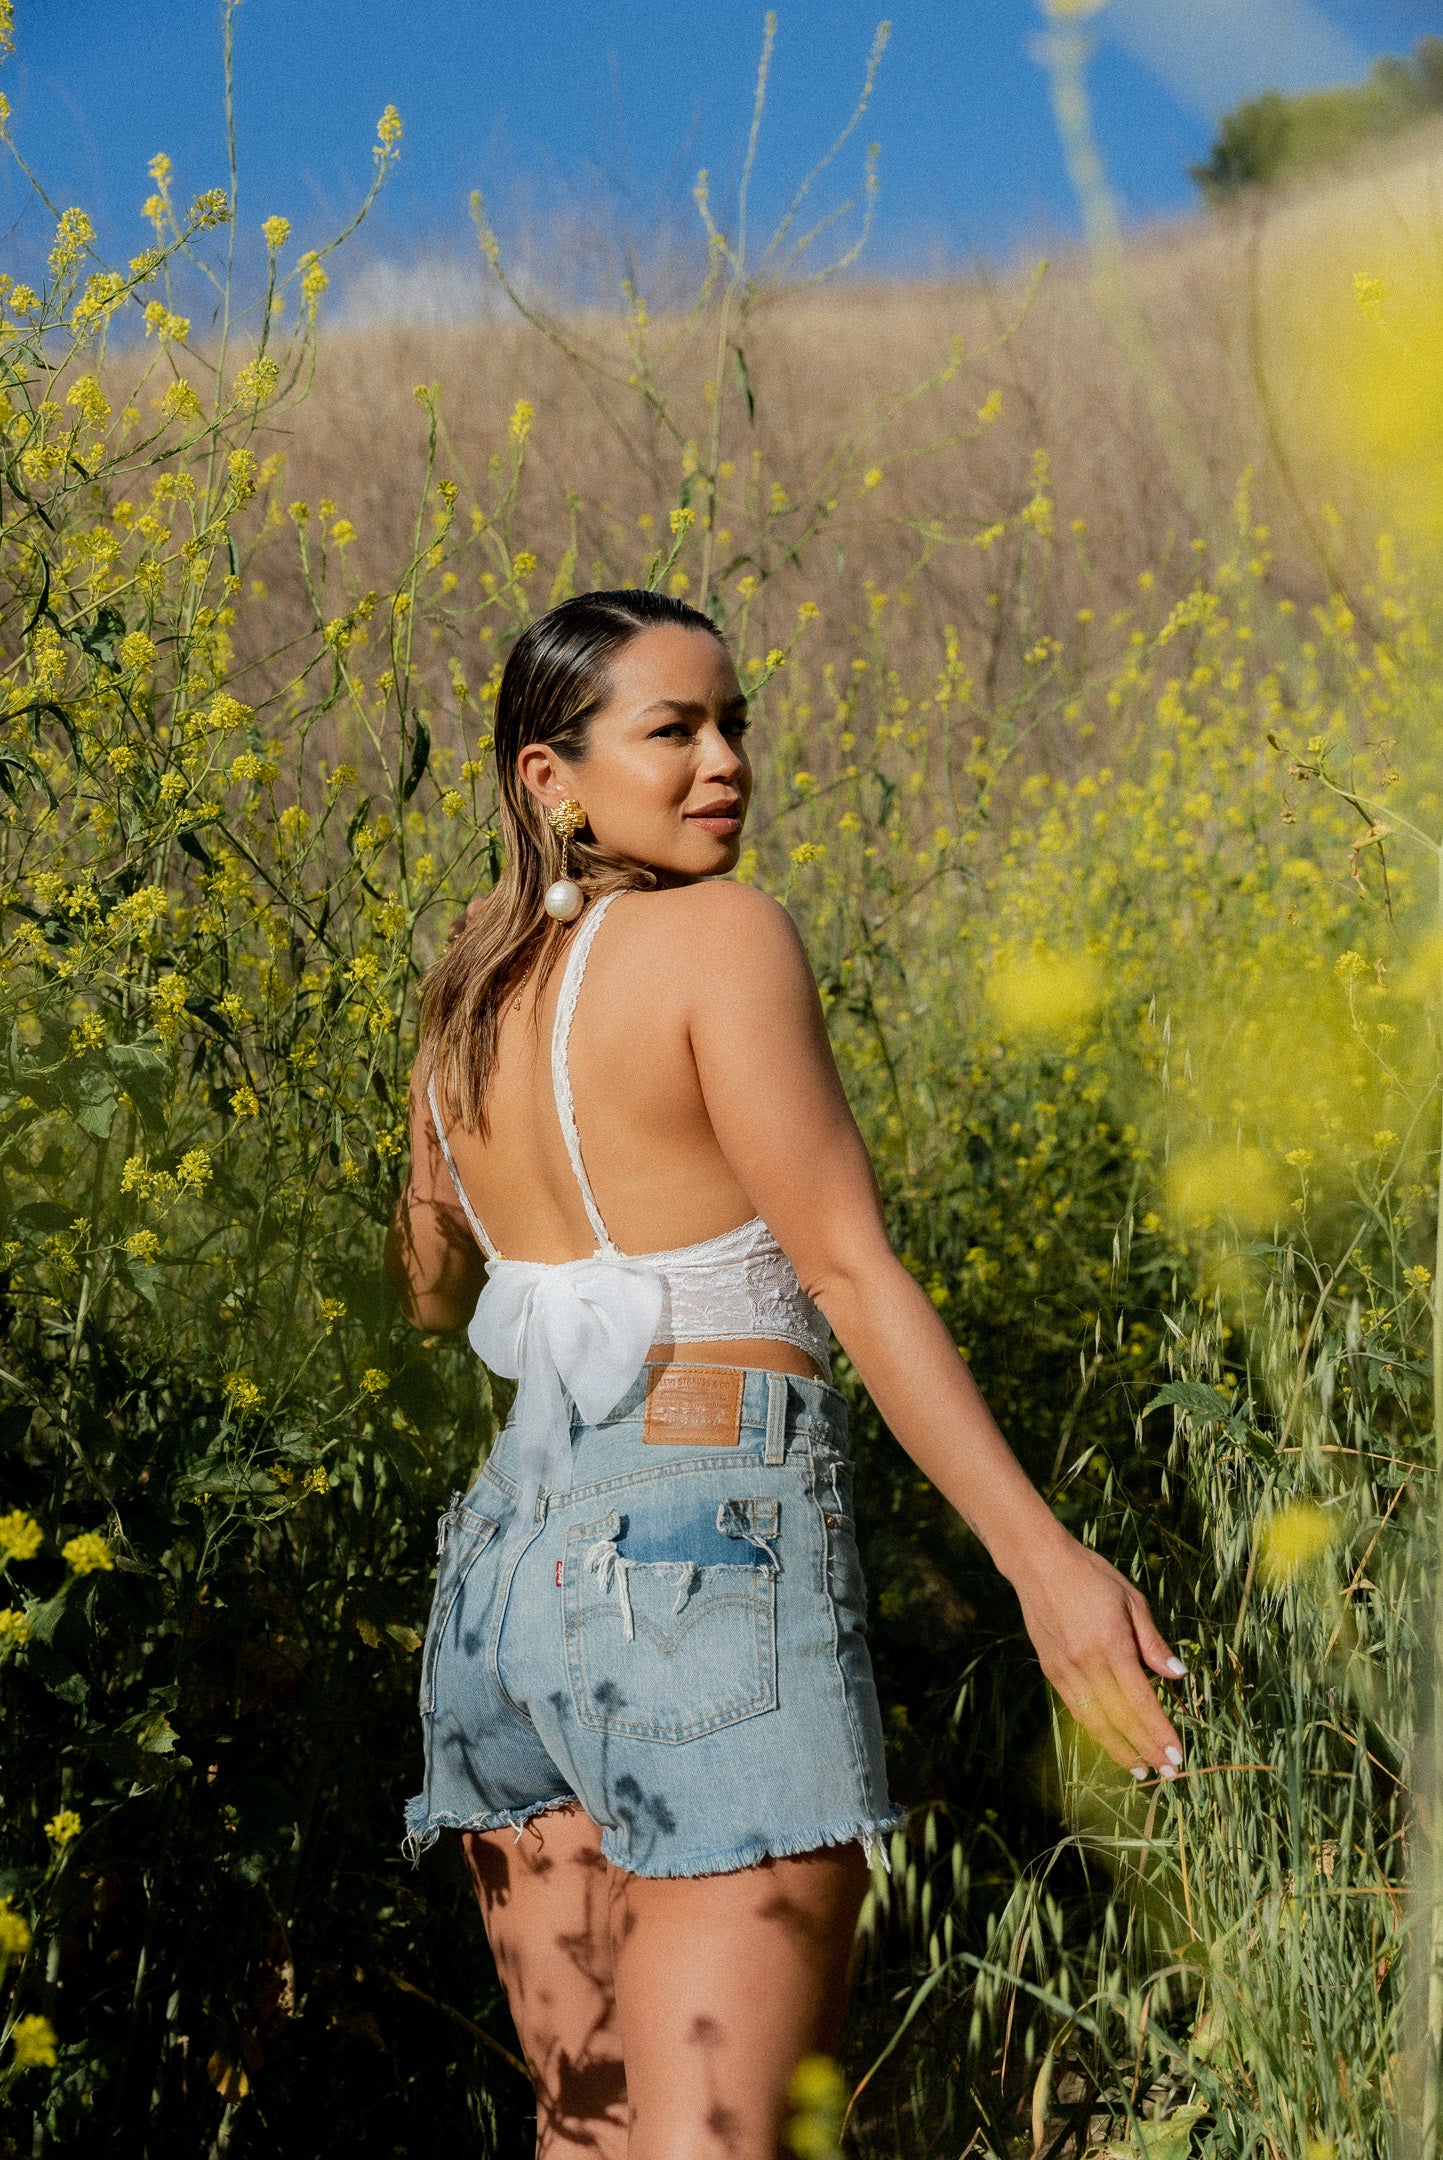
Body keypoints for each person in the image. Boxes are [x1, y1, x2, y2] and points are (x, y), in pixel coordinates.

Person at [383, 588, 1187, 2160]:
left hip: (501, 1578)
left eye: (734, 723)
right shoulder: (719, 936)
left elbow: (424, 1296)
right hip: (699, 1564)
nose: (723, 762)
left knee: (591, 2131)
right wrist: (1044, 1564)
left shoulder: (462, 997)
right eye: (671, 730)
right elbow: (846, 1269)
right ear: (550, 778)